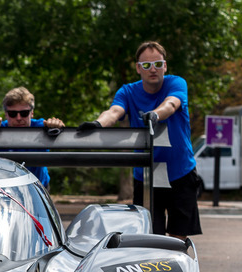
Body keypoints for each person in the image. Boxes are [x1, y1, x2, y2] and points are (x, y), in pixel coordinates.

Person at [79, 41, 200, 240]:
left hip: (180, 173)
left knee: (178, 238)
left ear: (165, 66)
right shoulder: (127, 91)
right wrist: (99, 124)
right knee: (149, 236)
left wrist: (155, 115)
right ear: (138, 68)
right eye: (146, 65)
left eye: (158, 64)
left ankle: (175, 270)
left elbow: (171, 104)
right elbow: (115, 111)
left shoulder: (176, 83)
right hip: (146, 176)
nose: (153, 69)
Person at [0, 86, 65, 188]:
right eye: (13, 114)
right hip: (7, 189)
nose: (18, 118)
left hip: (38, 189)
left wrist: (56, 125)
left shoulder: (41, 127)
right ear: (6, 114)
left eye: (24, 113)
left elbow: (55, 127)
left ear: (32, 113)